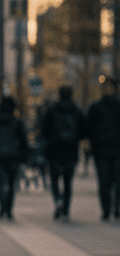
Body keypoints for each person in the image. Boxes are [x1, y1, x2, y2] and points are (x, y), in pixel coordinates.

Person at [40, 85, 83, 220]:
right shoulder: (76, 111)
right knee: (68, 180)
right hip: (71, 149)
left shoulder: (52, 110)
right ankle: (66, 209)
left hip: (54, 150)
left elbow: (44, 130)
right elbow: (84, 130)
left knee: (54, 178)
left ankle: (58, 199)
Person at [86, 77, 120, 220]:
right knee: (105, 182)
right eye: (105, 87)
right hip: (102, 151)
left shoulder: (112, 106)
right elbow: (89, 128)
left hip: (114, 150)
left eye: (109, 87)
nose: (107, 90)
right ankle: (107, 209)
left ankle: (115, 208)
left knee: (116, 181)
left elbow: (88, 129)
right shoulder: (96, 107)